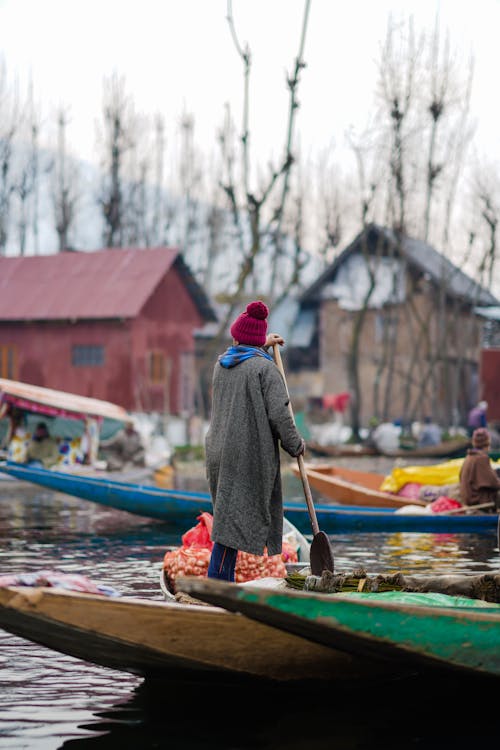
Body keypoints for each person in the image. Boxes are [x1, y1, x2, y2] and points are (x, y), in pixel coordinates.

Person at [205, 300, 305, 582]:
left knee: (227, 519)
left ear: (237, 339)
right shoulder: (266, 370)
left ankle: (220, 582)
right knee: (230, 525)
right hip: (245, 455)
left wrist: (261, 345)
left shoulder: (221, 364)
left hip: (218, 451)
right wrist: (295, 445)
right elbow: (280, 416)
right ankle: (218, 585)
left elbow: (242, 355)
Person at [459, 428, 500, 512]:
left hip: (468, 500)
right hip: (478, 502)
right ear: (488, 442)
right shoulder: (481, 458)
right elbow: (494, 483)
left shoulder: (469, 457)